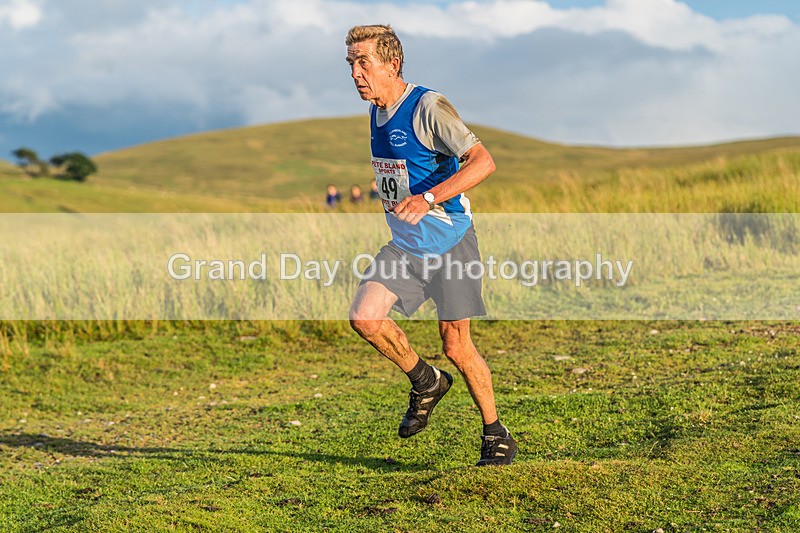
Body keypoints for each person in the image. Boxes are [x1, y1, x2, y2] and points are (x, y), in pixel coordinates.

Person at [345, 24, 517, 466]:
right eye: (351, 64)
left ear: (392, 64)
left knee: (456, 345)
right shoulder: (376, 110)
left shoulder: (427, 106)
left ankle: (495, 433)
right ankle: (426, 381)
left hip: (451, 242)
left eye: (364, 62)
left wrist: (426, 198)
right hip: (405, 247)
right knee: (364, 317)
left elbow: (484, 161)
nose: (355, 73)